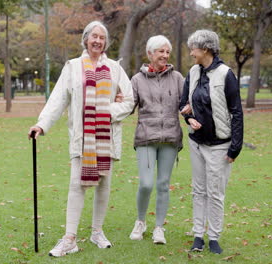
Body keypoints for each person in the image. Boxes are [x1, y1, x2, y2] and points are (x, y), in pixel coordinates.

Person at [27, 21, 134, 257]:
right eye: (93, 36)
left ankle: (97, 232)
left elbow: (129, 100)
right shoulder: (73, 67)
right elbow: (58, 99)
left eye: (102, 37)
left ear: (105, 42)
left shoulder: (115, 68)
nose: (97, 41)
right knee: (77, 184)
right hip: (82, 137)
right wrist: (42, 124)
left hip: (107, 138)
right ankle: (70, 238)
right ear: (86, 39)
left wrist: (106, 111)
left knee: (104, 183)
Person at [179, 29, 243, 254]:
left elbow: (236, 112)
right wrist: (189, 118)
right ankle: (198, 235)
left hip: (220, 145)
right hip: (197, 143)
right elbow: (183, 103)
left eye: (193, 49)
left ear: (205, 49)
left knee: (215, 192)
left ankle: (214, 237)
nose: (191, 53)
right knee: (198, 191)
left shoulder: (226, 74)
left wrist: (235, 147)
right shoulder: (193, 73)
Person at [128, 35, 184, 244]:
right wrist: (114, 104)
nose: (165, 55)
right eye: (161, 51)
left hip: (170, 137)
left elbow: (186, 103)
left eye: (167, 52)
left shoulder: (177, 78)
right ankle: (141, 221)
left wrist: (191, 112)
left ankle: (159, 227)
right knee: (145, 184)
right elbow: (128, 106)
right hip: (146, 137)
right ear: (150, 54)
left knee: (163, 184)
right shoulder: (137, 80)